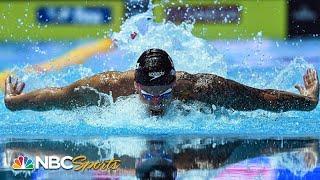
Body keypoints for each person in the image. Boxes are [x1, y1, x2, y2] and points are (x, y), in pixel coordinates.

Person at [3, 48, 319, 115]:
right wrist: (14, 103)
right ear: (135, 84)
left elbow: (259, 98)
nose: (157, 101)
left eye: (165, 93)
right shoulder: (109, 84)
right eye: (148, 93)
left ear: (175, 81)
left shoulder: (198, 87)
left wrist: (308, 102)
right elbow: (59, 96)